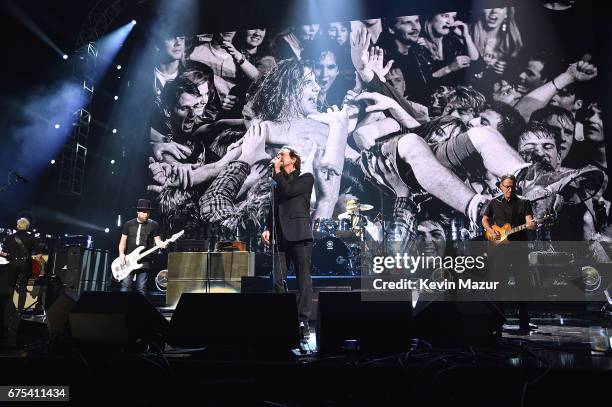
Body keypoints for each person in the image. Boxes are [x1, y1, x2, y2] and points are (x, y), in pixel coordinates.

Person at [261, 146, 314, 339]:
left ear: (293, 159)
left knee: (303, 281)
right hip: (279, 237)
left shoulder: (306, 178)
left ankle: (302, 321)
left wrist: (277, 173)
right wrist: (267, 228)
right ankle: (283, 318)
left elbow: (290, 191)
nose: (278, 158)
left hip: (299, 236)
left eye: (282, 155)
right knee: (276, 280)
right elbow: (273, 209)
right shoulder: (278, 183)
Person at [482, 174, 537, 333]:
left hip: (519, 248)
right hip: (500, 249)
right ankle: (497, 320)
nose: (510, 189)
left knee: (523, 284)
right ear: (501, 186)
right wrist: (491, 230)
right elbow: (485, 220)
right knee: (499, 283)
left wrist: (532, 225)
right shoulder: (494, 202)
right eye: (507, 186)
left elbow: (529, 222)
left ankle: (524, 321)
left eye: (512, 186)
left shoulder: (524, 202)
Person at [0, 217, 43, 348]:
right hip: (25, 264)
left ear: (17, 225)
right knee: (23, 286)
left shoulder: (10, 237)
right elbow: (38, 253)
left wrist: (8, 255)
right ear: (28, 226)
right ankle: (20, 310)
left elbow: (4, 254)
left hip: (13, 264)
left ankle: (8, 309)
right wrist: (35, 257)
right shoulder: (31, 238)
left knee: (10, 286)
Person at [118, 199, 167, 294]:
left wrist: (162, 244)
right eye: (144, 212)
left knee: (141, 287)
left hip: (145, 260)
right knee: (125, 284)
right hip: (128, 259)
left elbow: (158, 240)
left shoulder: (154, 225)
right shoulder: (128, 224)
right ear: (138, 212)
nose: (146, 214)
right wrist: (121, 254)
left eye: (148, 212)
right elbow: (123, 241)